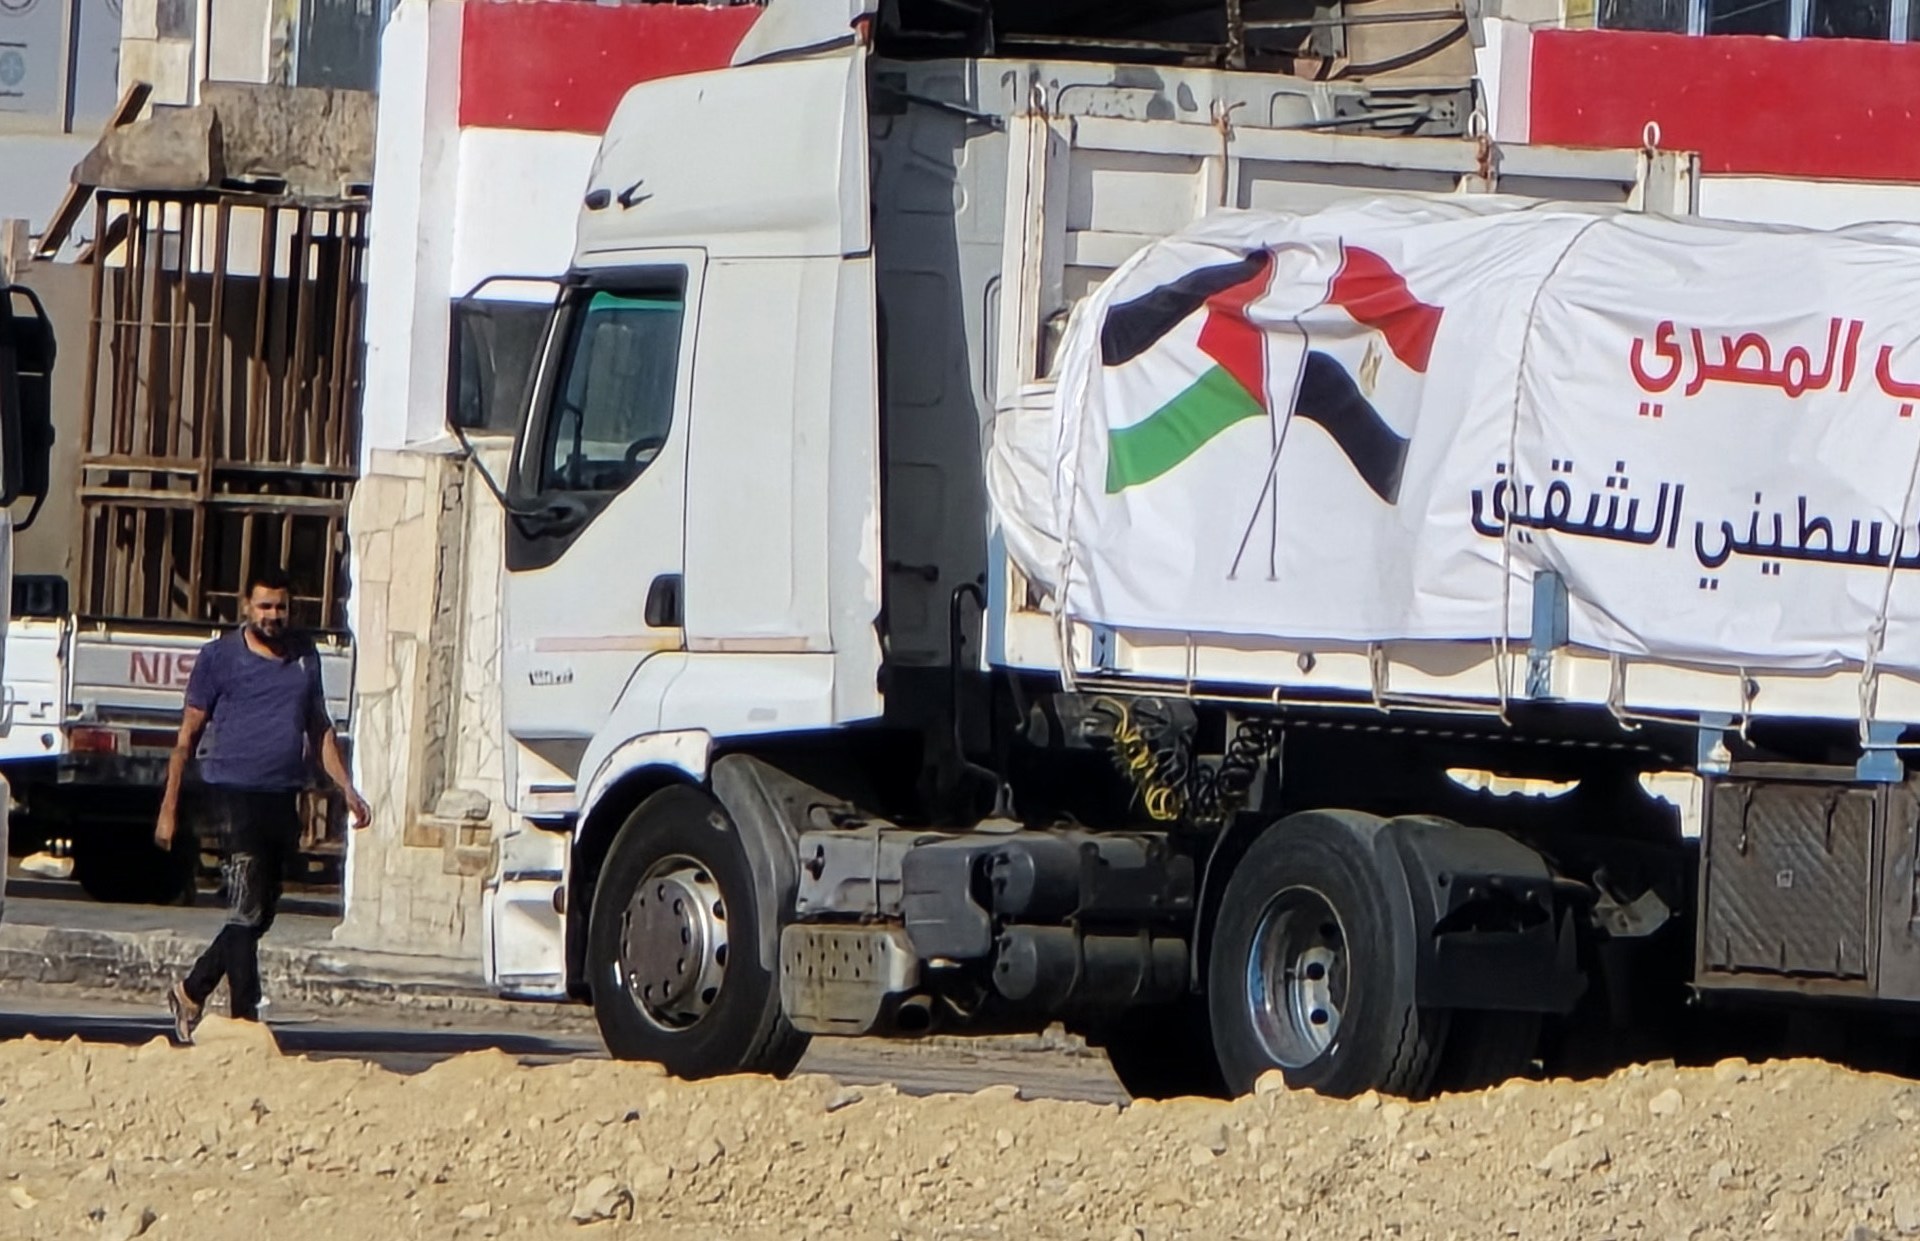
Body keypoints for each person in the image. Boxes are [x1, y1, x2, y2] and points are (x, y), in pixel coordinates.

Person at [157, 570, 371, 1044]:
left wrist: (347, 788)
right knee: (244, 907)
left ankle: (191, 990)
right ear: (246, 607)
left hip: (281, 793)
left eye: (281, 607)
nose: (273, 616)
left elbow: (319, 727)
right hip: (231, 792)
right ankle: (243, 1022)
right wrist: (169, 806)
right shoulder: (219, 658)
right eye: (264, 607)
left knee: (262, 911)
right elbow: (186, 737)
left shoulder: (303, 655)